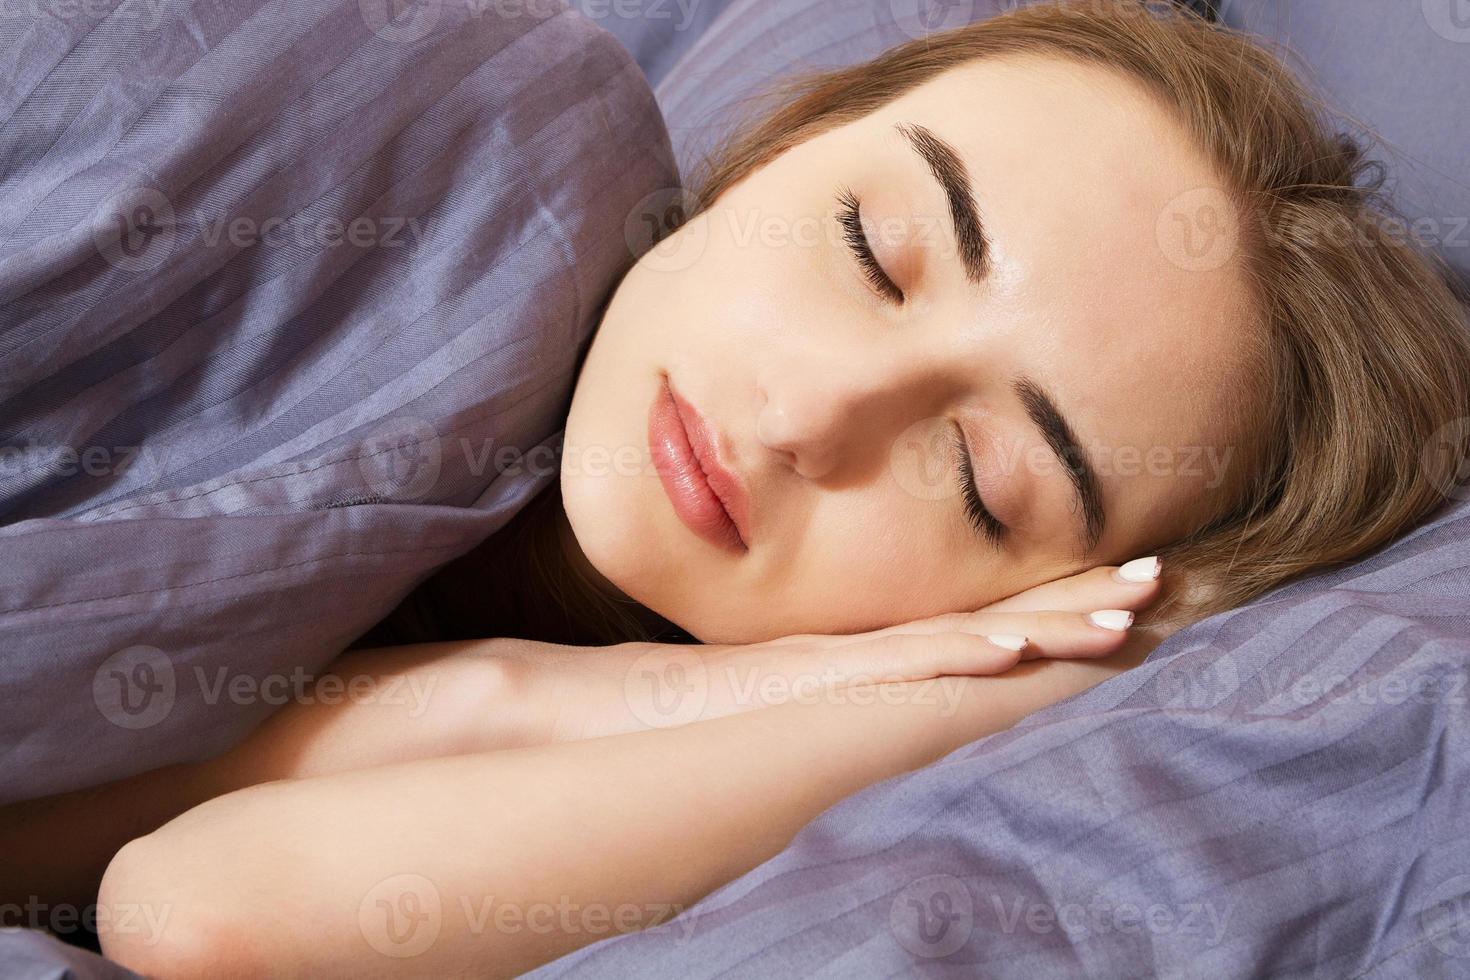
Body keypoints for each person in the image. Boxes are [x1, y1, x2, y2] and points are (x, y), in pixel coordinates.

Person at [51, 0, 1470, 974]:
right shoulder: (416, 167)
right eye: (867, 246)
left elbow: (192, 909)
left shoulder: (694, 753)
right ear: (780, 149)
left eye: (978, 478)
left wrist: (996, 688)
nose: (806, 413)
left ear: (1057, 598)